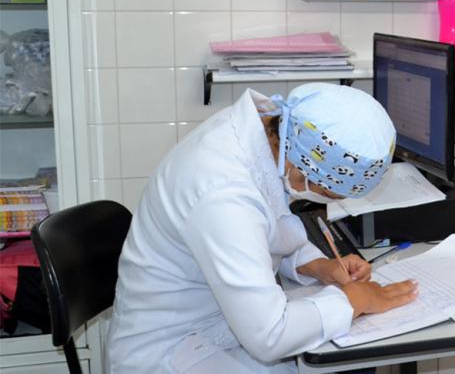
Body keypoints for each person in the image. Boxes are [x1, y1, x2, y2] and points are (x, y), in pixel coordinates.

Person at [107, 84, 419, 373]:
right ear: (300, 168)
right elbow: (269, 336)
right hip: (173, 355)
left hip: (215, 326)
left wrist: (318, 266)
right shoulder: (223, 192)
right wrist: (355, 300)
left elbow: (266, 226)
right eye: (325, 192)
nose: (317, 196)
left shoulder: (267, 137)